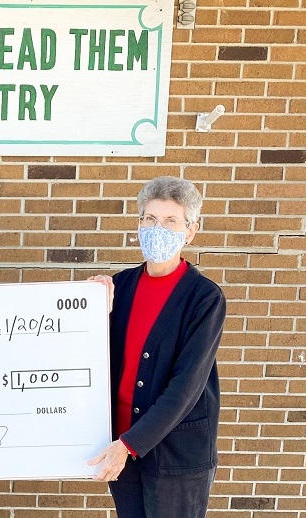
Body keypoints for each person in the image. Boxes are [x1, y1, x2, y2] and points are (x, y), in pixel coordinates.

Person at [88, 176, 226, 518]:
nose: (157, 228)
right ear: (138, 224)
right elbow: (94, 361)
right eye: (149, 219)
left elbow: (186, 387)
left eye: (170, 221)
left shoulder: (204, 298)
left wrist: (129, 445)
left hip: (176, 454)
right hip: (122, 444)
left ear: (189, 231)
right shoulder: (120, 286)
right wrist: (91, 314)